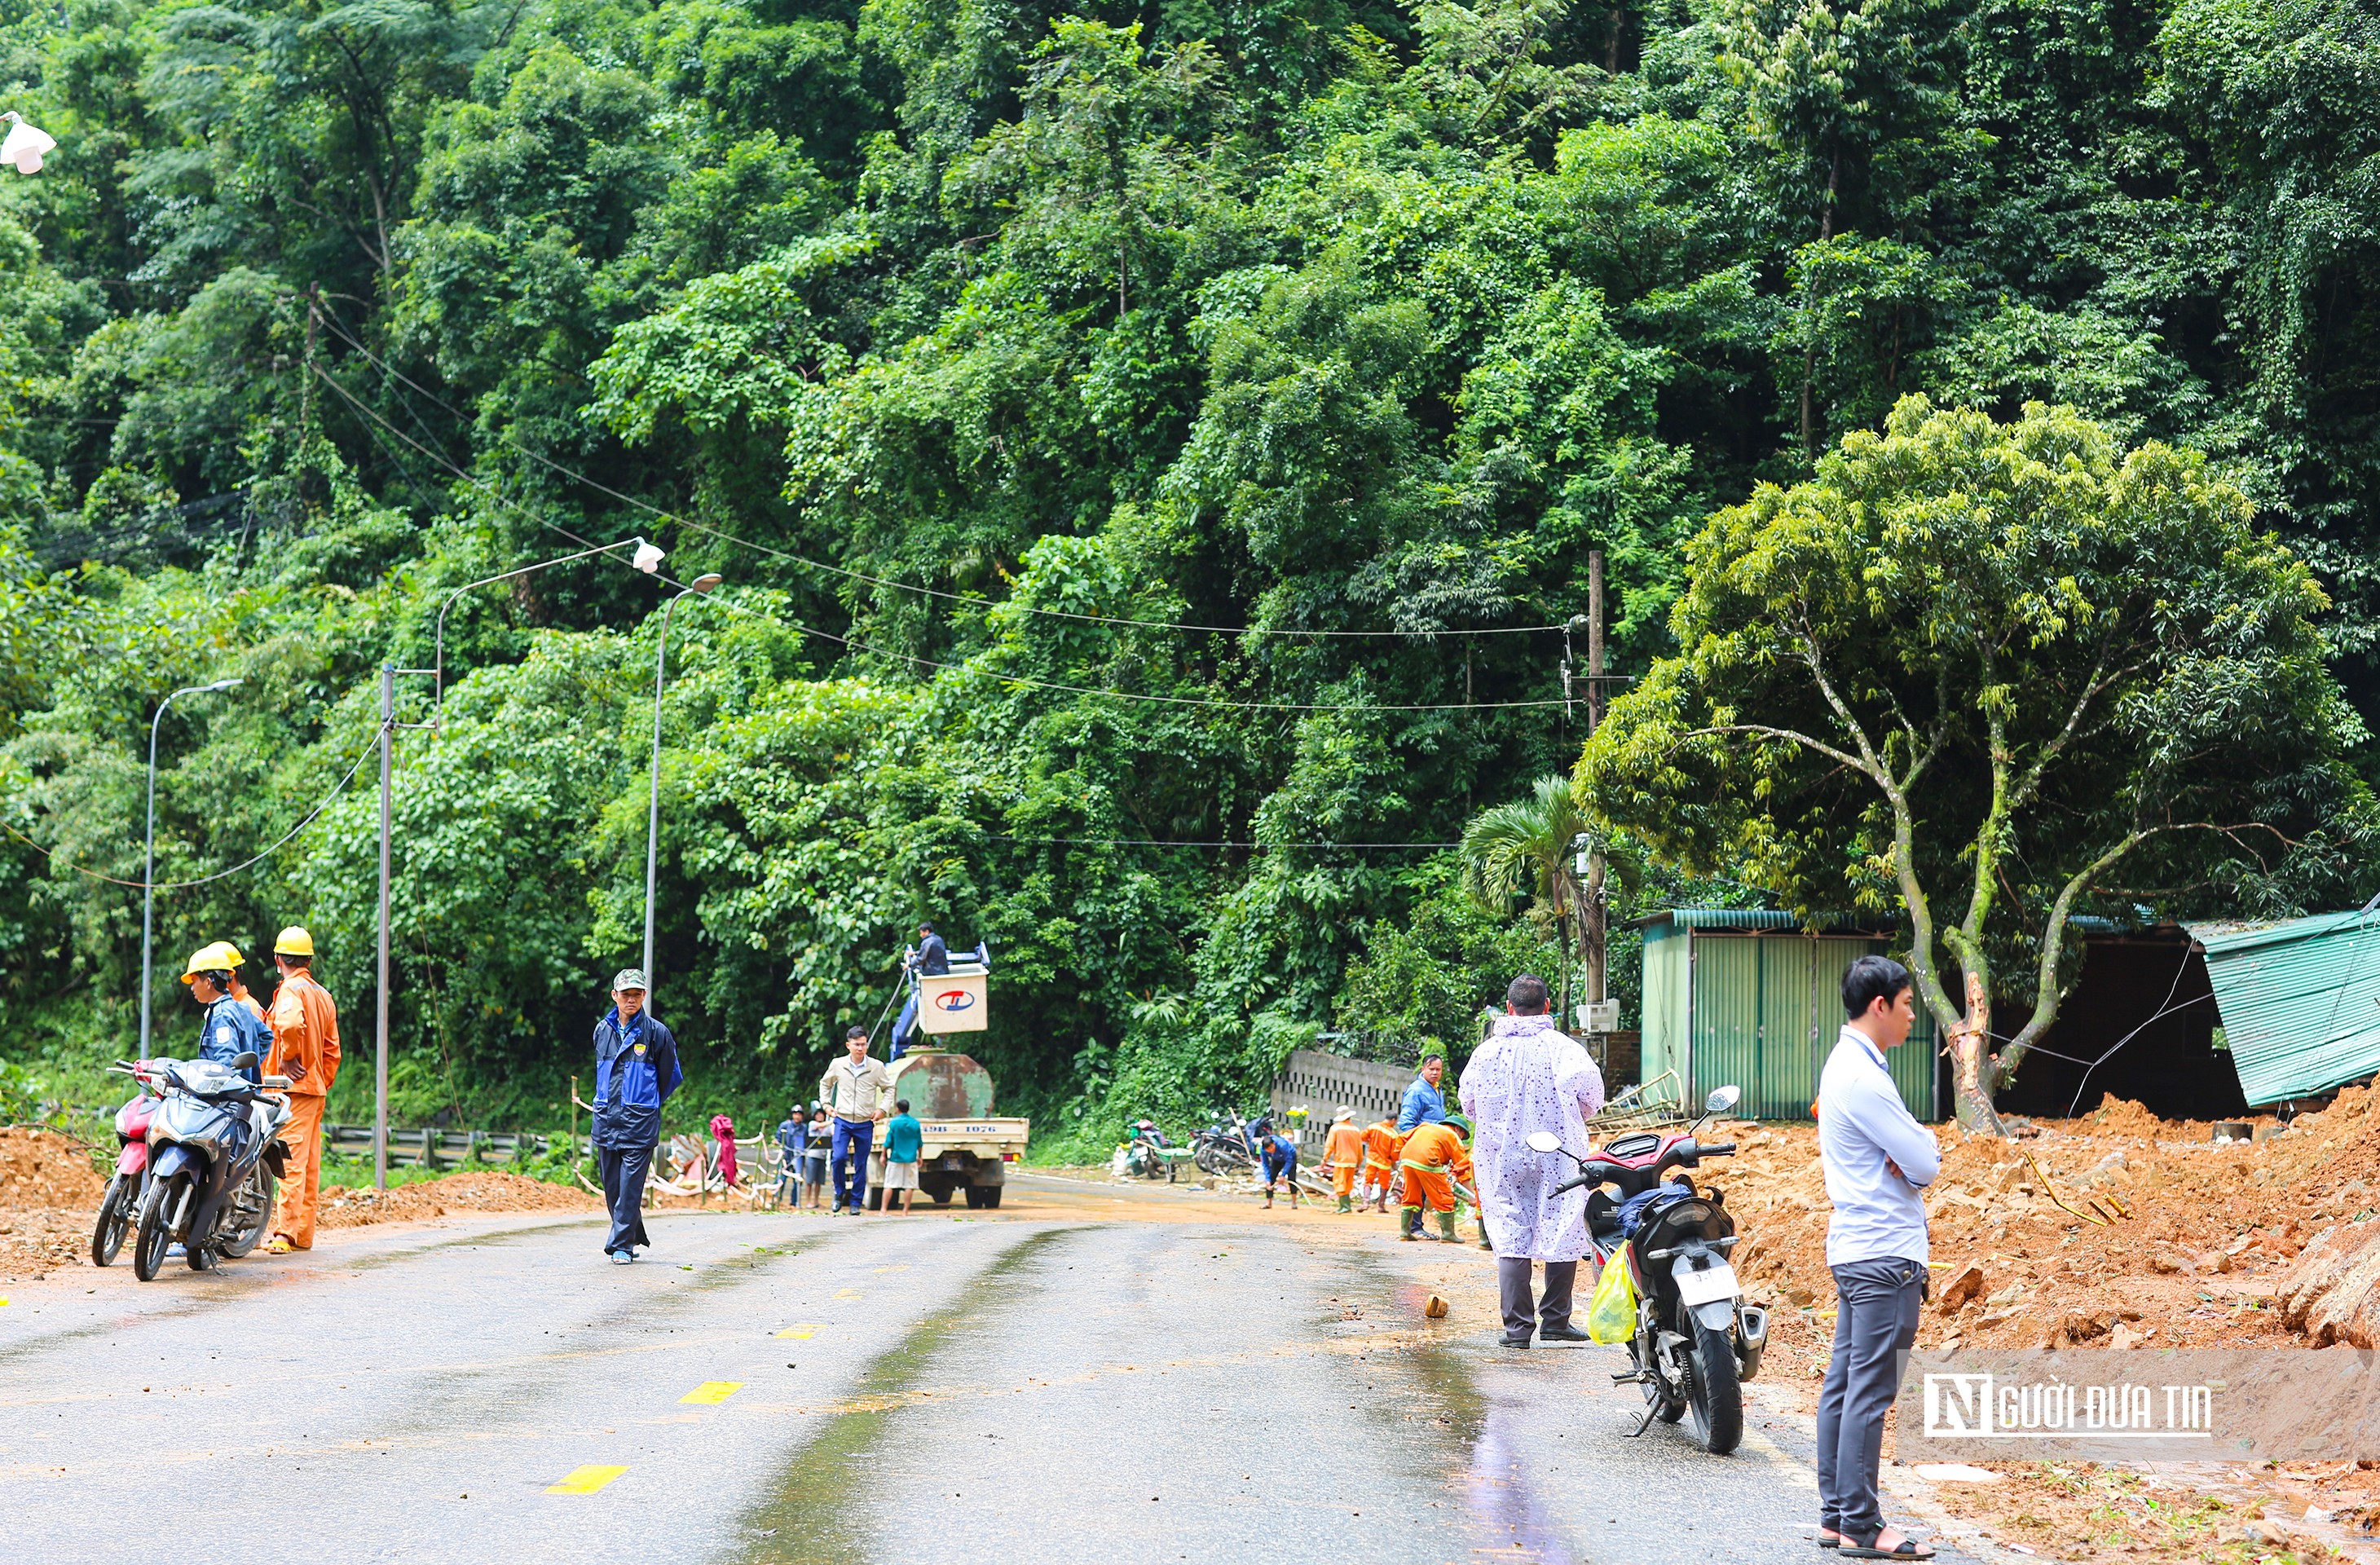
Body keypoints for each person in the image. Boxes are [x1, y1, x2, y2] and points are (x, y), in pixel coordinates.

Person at [1815, 954, 1941, 1560]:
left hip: (1858, 1250)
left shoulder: (1849, 1067)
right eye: (1909, 1002)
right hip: (1884, 1254)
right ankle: (1862, 1526)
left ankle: (1838, 1515)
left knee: (1845, 1385)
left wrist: (1914, 1147)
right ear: (1880, 1006)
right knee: (1869, 1391)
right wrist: (1920, 1148)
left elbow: (1912, 1153)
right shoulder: (1864, 1078)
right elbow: (1924, 1163)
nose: (1914, 1013)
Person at [1460, 972, 1606, 1347]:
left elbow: (1469, 1105)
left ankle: (1517, 1330)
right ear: (1546, 1007)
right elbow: (1592, 1100)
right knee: (1562, 1221)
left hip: (1500, 1155)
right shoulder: (1566, 1049)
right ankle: (1556, 1320)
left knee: (1510, 1232)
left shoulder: (1485, 1053)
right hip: (1558, 1152)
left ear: (1508, 1008)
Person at [591, 968, 681, 1263]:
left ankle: (621, 1247)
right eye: (626, 994)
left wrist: (646, 1102)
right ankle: (631, 1233)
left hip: (639, 1123)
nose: (631, 999)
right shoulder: (602, 1031)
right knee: (613, 1188)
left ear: (644, 996)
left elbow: (670, 1077)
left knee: (630, 1187)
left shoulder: (657, 1033)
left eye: (637, 994)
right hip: (606, 1120)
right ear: (614, 996)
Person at [262, 928, 342, 1254]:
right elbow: (333, 1050)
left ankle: (284, 1234)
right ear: (308, 960)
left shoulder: (290, 991)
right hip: (314, 1091)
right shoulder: (323, 994)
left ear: (279, 959)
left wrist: (290, 1058)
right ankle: (302, 1235)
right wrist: (320, 1079)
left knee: (291, 1163)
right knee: (308, 1165)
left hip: (290, 1091)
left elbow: (291, 1024)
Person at [818, 1025, 893, 1214]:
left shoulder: (876, 1067)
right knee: (839, 1158)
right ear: (848, 1045)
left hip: (864, 1122)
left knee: (861, 1163)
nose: (860, 1048)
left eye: (863, 1044)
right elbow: (825, 1084)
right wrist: (826, 1104)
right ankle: (839, 1193)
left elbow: (889, 1088)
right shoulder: (838, 1064)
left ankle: (855, 1203)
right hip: (842, 1120)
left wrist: (882, 1109)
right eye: (856, 1045)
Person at [181, 945, 269, 1083]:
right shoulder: (241, 1008)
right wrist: (251, 1070)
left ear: (208, 982)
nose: (192, 988)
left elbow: (226, 1065)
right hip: (241, 1094)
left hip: (226, 1100)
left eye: (194, 981)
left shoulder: (222, 1015)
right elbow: (266, 1037)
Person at [1396, 1114, 1476, 1242]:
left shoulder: (1426, 1126)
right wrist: (1472, 1196)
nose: (1461, 1139)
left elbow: (1402, 1138)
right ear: (1457, 1129)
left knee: (1411, 1195)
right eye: (1462, 1136)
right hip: (1427, 1159)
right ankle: (1448, 1234)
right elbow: (1461, 1168)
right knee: (1444, 1196)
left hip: (1407, 1158)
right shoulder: (1453, 1136)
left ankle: (1405, 1232)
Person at [887, 921, 953, 1060]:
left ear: (926, 931)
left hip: (931, 975)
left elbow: (922, 958)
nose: (921, 935)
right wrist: (914, 953)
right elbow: (927, 953)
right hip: (942, 974)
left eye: (921, 932)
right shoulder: (938, 940)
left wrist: (908, 965)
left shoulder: (927, 941)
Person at [883, 1098, 923, 1214]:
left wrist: (883, 1155)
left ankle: (883, 1210)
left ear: (897, 1109)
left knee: (889, 1184)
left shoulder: (894, 1123)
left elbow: (888, 1141)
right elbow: (919, 1142)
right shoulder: (915, 1123)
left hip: (896, 1158)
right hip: (911, 1158)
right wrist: (920, 1156)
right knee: (909, 1186)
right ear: (908, 1109)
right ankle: (905, 1211)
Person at [1320, 1107, 1364, 1213]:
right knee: (1348, 1183)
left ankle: (1344, 1206)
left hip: (1342, 1160)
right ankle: (1346, 1206)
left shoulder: (1335, 1128)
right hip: (1353, 1161)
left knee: (1340, 1182)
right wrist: (1359, 1161)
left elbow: (1329, 1145)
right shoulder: (1356, 1129)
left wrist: (1325, 1159)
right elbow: (1359, 1148)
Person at [1397, 1053, 1448, 1133]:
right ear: (1423, 1069)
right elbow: (1406, 1122)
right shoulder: (1416, 1090)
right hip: (1422, 1140)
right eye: (1431, 1069)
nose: (1435, 1072)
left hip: (1435, 1139)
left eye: (1438, 1069)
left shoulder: (1437, 1088)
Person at [1360, 1117, 1401, 1213]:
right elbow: (1394, 1153)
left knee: (1368, 1180)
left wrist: (1371, 1142)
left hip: (1372, 1159)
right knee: (1384, 1184)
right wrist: (1394, 1162)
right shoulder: (1393, 1134)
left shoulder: (1373, 1127)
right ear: (1393, 1120)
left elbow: (1362, 1136)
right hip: (1384, 1163)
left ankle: (1365, 1203)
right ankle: (1381, 1206)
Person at [1257, 1120, 1300, 1209]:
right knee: (1271, 1178)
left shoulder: (1282, 1145)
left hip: (1290, 1157)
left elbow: (1289, 1160)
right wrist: (1267, 1179)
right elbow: (1265, 1164)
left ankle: (1294, 1203)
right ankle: (1268, 1203)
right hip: (1276, 1159)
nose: (1271, 1150)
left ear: (1274, 1144)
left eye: (1272, 1148)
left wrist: (1283, 1175)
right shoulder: (1263, 1150)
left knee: (1292, 1178)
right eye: (1268, 1150)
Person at [775, 1106, 807, 1208]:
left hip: (798, 1157)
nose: (797, 1116)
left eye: (799, 1114)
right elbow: (778, 1138)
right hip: (786, 1156)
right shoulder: (785, 1125)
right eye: (795, 1114)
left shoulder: (804, 1128)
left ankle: (794, 1202)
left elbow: (807, 1141)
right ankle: (777, 1199)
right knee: (781, 1178)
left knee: (797, 1180)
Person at [803, 1102, 831, 1207]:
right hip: (812, 1156)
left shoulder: (828, 1128)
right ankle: (808, 1201)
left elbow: (832, 1133)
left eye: (821, 1114)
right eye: (817, 1114)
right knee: (809, 1180)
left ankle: (816, 1201)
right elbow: (820, 1125)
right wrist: (832, 1121)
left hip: (822, 1156)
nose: (820, 1116)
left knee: (819, 1181)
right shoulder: (812, 1124)